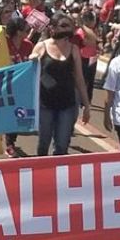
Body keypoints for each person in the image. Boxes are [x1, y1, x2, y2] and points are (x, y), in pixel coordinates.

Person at [30, 13, 91, 156]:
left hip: (67, 104)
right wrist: (32, 60)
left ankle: (59, 175)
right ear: (52, 28)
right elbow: (30, 73)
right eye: (64, 25)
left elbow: (80, 79)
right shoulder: (41, 47)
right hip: (45, 104)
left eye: (70, 26)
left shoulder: (74, 49)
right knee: (43, 143)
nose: (68, 29)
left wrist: (87, 105)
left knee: (62, 145)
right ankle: (42, 174)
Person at [4, 16, 33, 158]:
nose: (28, 31)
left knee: (19, 115)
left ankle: (11, 141)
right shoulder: (3, 44)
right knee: (8, 115)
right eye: (25, 29)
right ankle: (8, 143)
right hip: (5, 85)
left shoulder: (28, 45)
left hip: (22, 86)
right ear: (17, 31)